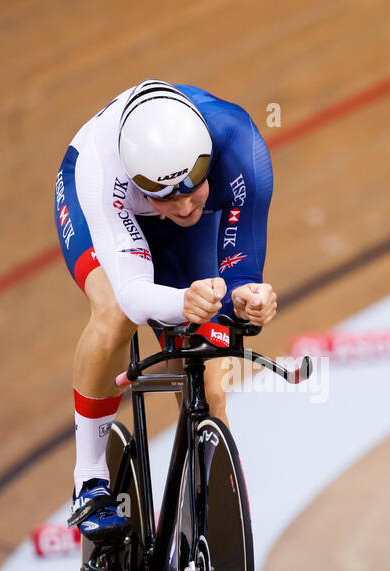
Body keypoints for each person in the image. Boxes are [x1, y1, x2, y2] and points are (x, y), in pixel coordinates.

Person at [54, 80, 277, 542]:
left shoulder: (240, 148)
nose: (182, 206)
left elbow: (240, 274)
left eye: (192, 190)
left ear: (208, 162)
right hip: (107, 215)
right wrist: (181, 301)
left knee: (210, 387)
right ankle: (90, 478)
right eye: (166, 197)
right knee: (115, 312)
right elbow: (135, 295)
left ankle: (215, 531)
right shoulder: (102, 172)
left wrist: (248, 299)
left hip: (176, 229)